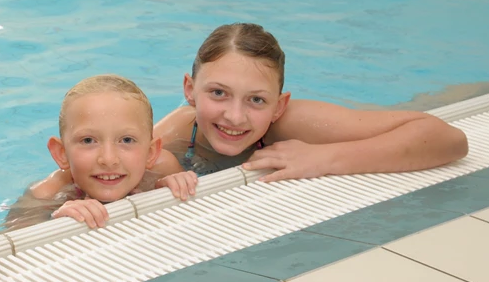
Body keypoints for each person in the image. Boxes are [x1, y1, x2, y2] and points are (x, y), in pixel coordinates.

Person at [154, 23, 469, 197]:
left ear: (280, 106)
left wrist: (323, 158)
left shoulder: (292, 124)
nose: (235, 117)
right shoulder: (169, 138)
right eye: (218, 93)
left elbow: (446, 138)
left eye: (256, 100)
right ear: (189, 90)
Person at [3, 75, 186, 231]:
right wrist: (54, 223)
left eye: (127, 140)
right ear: (62, 153)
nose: (108, 159)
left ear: (151, 153)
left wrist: (181, 190)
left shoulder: (162, 170)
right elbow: (6, 251)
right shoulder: (45, 195)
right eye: (88, 141)